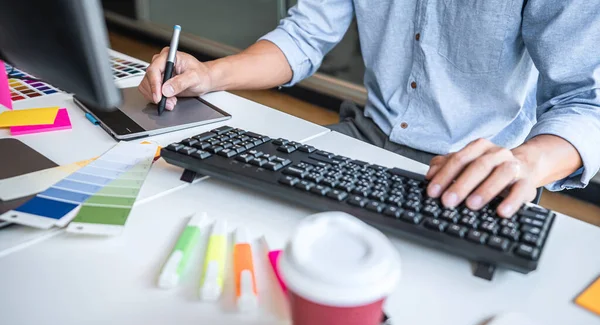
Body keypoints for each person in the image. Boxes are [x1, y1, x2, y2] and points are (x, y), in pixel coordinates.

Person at [138, 0, 600, 218]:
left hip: (481, 165)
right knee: (234, 211)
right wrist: (209, 74)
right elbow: (304, 36)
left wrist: (524, 163)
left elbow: (586, 102)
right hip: (367, 137)